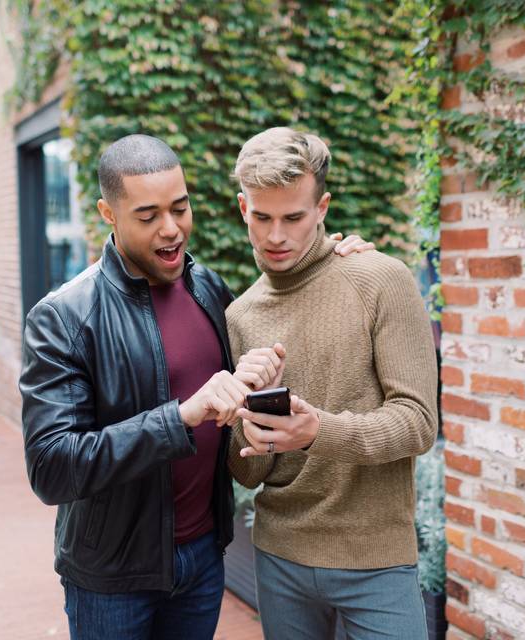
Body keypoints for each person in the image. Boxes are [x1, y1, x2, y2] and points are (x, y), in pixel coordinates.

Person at [18, 134, 372, 640]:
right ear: (108, 213)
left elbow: (284, 276)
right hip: (113, 578)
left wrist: (334, 255)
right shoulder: (63, 317)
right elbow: (52, 468)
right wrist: (182, 416)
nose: (171, 229)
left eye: (180, 209)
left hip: (205, 557)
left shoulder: (208, 288)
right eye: (147, 216)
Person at [226, 127, 439, 640]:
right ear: (242, 209)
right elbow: (248, 474)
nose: (276, 236)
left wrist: (318, 430)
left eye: (294, 217)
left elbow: (418, 423)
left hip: (376, 561)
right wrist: (247, 434)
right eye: (262, 217)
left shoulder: (380, 279)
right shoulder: (240, 315)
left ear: (322, 208)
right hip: (279, 559)